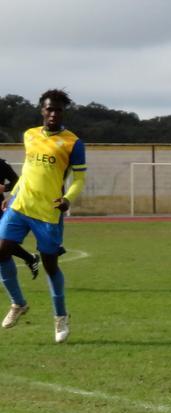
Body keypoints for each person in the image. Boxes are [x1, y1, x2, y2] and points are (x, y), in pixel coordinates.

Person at [0, 89, 86, 342]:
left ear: (63, 112)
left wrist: (68, 198)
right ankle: (18, 303)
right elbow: (28, 171)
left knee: (50, 265)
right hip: (20, 206)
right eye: (49, 109)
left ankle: (60, 317)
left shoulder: (73, 143)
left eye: (58, 109)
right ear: (42, 110)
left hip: (48, 212)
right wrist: (12, 195)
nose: (53, 113)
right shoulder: (29, 135)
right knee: (1, 250)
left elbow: (79, 178)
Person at [0, 157, 40, 279]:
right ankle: (30, 258)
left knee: (4, 243)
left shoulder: (1, 164)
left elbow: (16, 181)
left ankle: (29, 259)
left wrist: (4, 188)